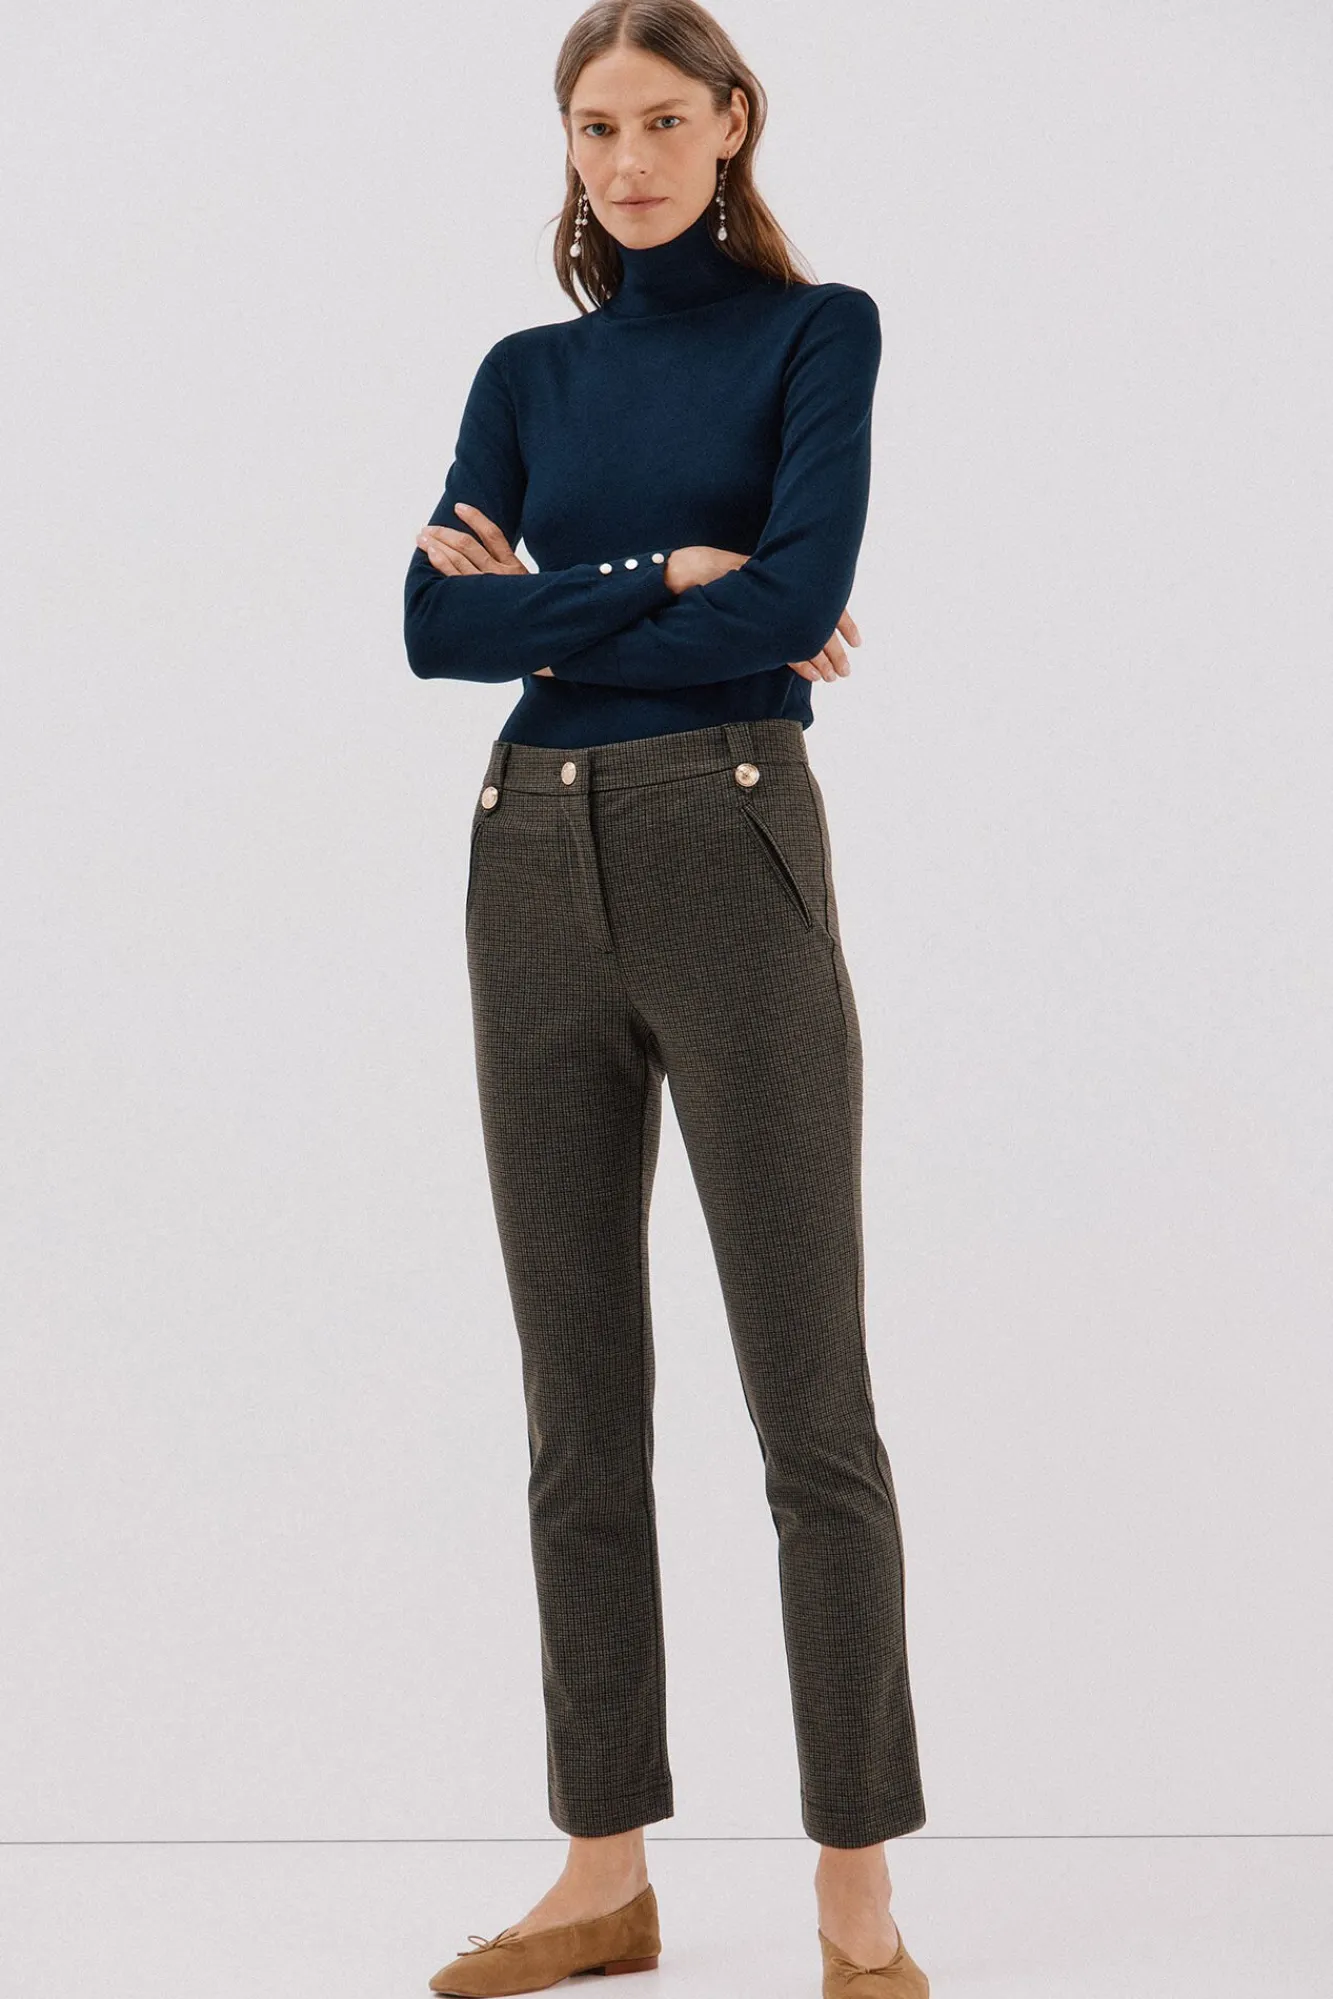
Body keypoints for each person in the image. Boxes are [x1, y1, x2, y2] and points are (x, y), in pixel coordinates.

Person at [405, 7, 929, 1995]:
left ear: (730, 124)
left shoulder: (817, 335)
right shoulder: (524, 372)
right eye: (591, 124)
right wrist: (665, 578)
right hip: (528, 858)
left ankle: (856, 1894)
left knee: (811, 1404)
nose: (623, 159)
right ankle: (600, 1872)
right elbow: (427, 627)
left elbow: (791, 607)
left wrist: (571, 607)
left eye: (658, 120)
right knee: (578, 1406)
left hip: (731, 841)